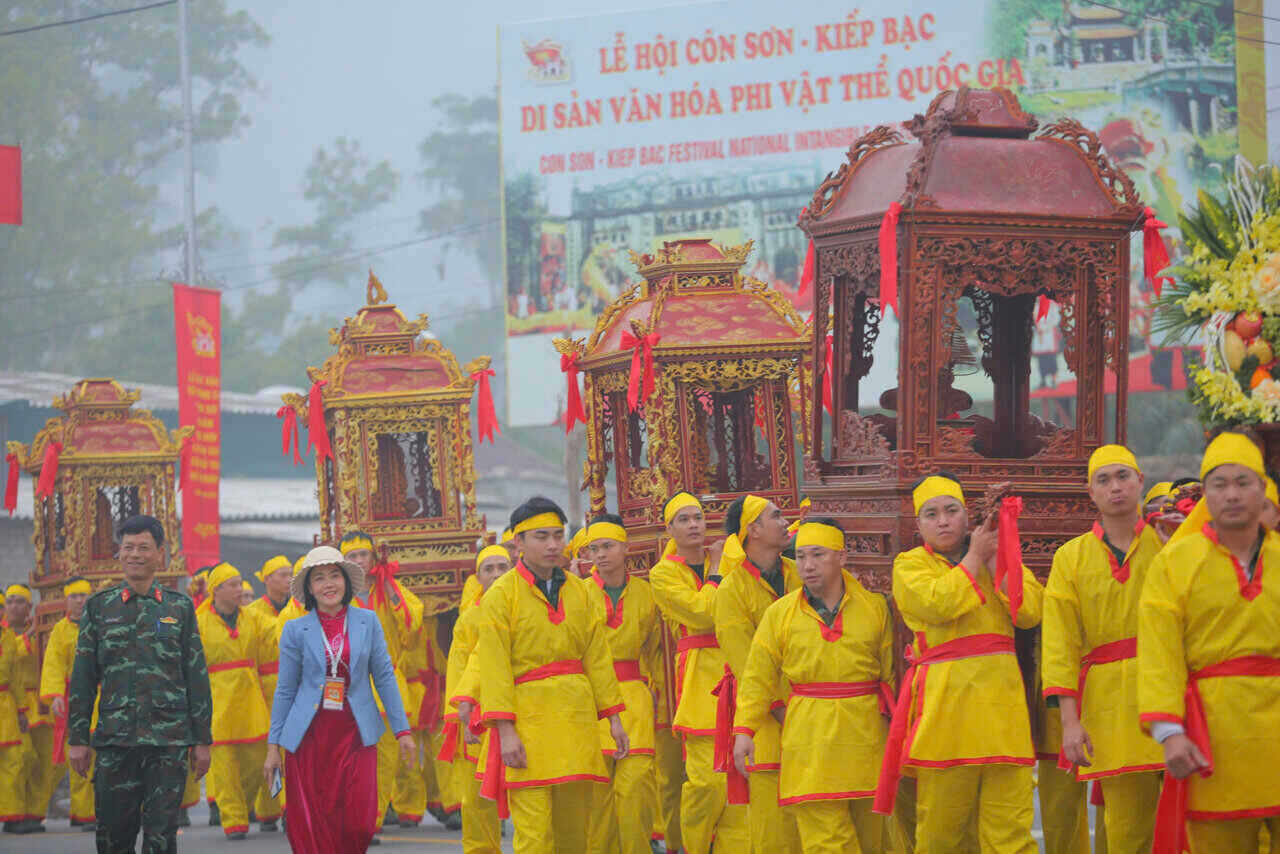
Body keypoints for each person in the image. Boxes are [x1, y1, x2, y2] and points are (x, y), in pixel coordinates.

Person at [875, 473, 1044, 854]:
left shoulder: (996, 555)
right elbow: (937, 604)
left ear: (967, 516)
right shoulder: (909, 565)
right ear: (918, 525)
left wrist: (999, 561)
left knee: (1011, 832)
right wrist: (975, 557)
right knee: (941, 832)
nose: (943, 521)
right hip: (945, 711)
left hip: (1002, 712)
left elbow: (1031, 613)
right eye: (931, 514)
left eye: (951, 511)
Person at [1139, 432, 1280, 851]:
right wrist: (1170, 732)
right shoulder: (1176, 563)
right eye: (1220, 484)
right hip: (1213, 736)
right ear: (1206, 494)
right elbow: (1160, 652)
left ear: (1263, 489)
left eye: (1243, 482)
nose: (1231, 494)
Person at [469, 496, 628, 854]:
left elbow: (597, 656)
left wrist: (614, 719)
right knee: (534, 836)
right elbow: (494, 668)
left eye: (558, 535)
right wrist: (505, 732)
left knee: (574, 834)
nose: (553, 544)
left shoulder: (581, 591)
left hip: (576, 722)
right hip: (529, 726)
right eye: (541, 537)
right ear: (518, 543)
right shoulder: (500, 596)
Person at [733, 518, 895, 853]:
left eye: (818, 555)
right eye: (801, 556)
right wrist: (744, 730)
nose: (807, 565)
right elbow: (757, 676)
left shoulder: (874, 608)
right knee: (825, 842)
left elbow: (890, 677)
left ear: (842, 556)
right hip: (809, 741)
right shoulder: (780, 614)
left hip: (865, 739)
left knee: (872, 841)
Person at [1042, 445, 1165, 854]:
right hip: (1110, 705)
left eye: (1123, 476)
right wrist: (1070, 724)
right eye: (1104, 480)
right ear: (1090, 492)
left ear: (1140, 482)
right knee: (1128, 828)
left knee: (1192, 821)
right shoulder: (1070, 558)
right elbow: (1060, 645)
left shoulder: (1169, 543)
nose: (1116, 487)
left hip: (1172, 689)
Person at [68, 514, 213, 854]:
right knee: (113, 837)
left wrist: (202, 740)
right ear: (118, 553)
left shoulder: (179, 608)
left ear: (160, 554)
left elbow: (196, 676)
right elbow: (83, 677)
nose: (135, 554)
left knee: (162, 836)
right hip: (115, 741)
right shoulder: (99, 607)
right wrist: (78, 739)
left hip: (168, 742)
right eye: (128, 547)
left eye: (144, 547)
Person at [265, 544, 414, 853]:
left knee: (360, 823)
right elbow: (285, 689)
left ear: (346, 581)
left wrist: (403, 731)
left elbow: (384, 678)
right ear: (309, 588)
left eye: (334, 575)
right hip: (309, 737)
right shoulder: (295, 629)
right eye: (319, 578)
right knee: (314, 821)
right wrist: (272, 747)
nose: (328, 584)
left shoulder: (368, 621)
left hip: (356, 731)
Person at [648, 491, 747, 854]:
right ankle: (693, 845)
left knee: (739, 784)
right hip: (699, 682)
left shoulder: (725, 557)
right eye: (684, 520)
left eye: (699, 518)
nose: (694, 525)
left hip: (737, 667)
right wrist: (718, 571)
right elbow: (704, 613)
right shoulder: (662, 574)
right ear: (669, 529)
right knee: (706, 782)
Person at [714, 494, 802, 852]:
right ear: (753, 529)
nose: (786, 522)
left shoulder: (799, 572)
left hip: (812, 710)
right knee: (773, 829)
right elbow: (748, 665)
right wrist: (785, 711)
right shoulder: (731, 589)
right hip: (765, 720)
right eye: (776, 516)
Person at [582, 513, 662, 854]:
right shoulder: (579, 593)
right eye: (594, 548)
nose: (601, 555)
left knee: (636, 788)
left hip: (635, 700)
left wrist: (662, 695)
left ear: (626, 547)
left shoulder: (647, 593)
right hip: (591, 701)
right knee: (597, 800)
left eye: (608, 546)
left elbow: (656, 651)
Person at [341, 529, 425, 837]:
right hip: (347, 685)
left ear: (374, 557)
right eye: (352, 556)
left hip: (386, 682)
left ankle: (369, 821)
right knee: (350, 757)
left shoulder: (390, 589)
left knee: (385, 759)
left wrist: (389, 586)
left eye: (363, 554)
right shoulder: (336, 593)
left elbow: (411, 626)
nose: (359, 561)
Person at [197, 561, 274, 840]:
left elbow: (277, 631)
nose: (239, 589)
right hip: (217, 702)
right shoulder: (199, 622)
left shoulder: (252, 617)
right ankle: (234, 821)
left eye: (240, 583)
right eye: (233, 584)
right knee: (225, 769)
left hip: (251, 700)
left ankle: (244, 805)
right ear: (216, 590)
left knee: (257, 762)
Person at [445, 544, 512, 854]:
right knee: (475, 797)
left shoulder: (527, 607)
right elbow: (459, 671)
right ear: (478, 577)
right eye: (489, 569)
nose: (496, 574)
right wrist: (465, 718)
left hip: (523, 709)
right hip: (479, 718)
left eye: (502, 567)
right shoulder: (469, 619)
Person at [38, 576, 96, 831]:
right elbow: (53, 665)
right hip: (76, 699)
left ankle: (103, 811)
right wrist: (55, 696)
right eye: (74, 596)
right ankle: (84, 813)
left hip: (103, 697)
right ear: (66, 600)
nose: (79, 601)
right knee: (80, 757)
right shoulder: (60, 630)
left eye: (83, 595)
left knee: (104, 757)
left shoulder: (101, 625)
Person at [244, 554, 294, 832]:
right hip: (264, 688)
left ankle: (289, 808)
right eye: (283, 574)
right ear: (267, 579)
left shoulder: (298, 607)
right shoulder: (252, 612)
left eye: (291, 574)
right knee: (270, 750)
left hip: (293, 685)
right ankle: (268, 809)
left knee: (292, 750)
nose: (289, 579)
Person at [4, 582, 54, 834]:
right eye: (10, 601)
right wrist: (30, 635)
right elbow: (10, 657)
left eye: (19, 601)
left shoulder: (41, 630)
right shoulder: (6, 634)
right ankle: (14, 813)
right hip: (13, 704)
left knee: (45, 761)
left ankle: (34, 813)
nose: (14, 606)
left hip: (41, 703)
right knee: (22, 757)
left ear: (30, 606)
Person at [0, 586, 33, 835]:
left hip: (6, 704)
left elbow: (15, 677)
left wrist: (22, 710)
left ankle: (12, 817)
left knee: (15, 760)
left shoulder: (8, 636)